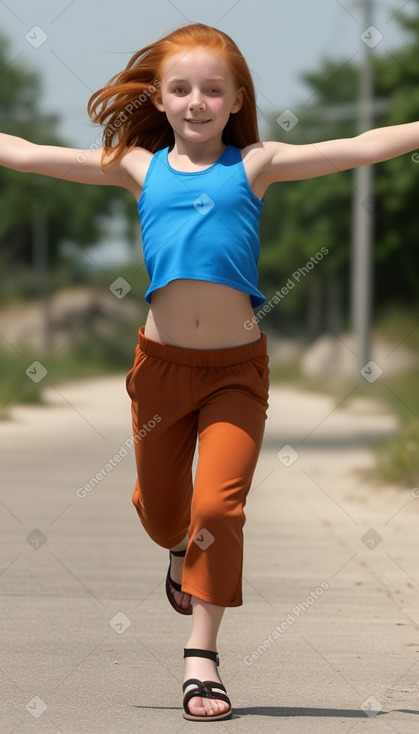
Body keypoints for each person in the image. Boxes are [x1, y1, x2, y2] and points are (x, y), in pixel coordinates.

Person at [1, 20, 418, 722]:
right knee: (169, 513)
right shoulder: (137, 165)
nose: (197, 101)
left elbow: (357, 146)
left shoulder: (256, 164)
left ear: (235, 99)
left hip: (235, 372)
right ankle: (173, 548)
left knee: (217, 509)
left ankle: (202, 659)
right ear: (159, 101)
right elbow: (27, 153)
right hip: (160, 370)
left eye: (212, 90)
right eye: (181, 89)